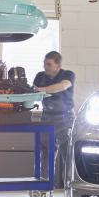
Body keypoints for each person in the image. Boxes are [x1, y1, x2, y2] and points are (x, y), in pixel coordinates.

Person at [32, 51, 75, 188]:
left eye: (49, 64)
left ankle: (69, 188)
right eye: (44, 63)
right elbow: (33, 92)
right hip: (47, 119)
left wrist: (42, 90)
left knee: (67, 155)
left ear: (58, 66)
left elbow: (63, 86)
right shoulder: (40, 76)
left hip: (65, 119)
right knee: (46, 154)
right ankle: (44, 188)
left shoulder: (68, 75)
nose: (45, 67)